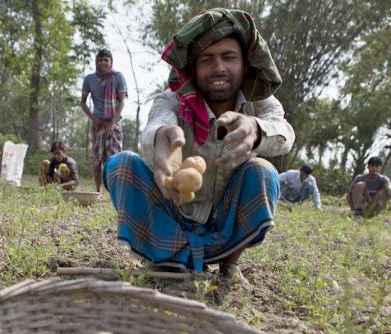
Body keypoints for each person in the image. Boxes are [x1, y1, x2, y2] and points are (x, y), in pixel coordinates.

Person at [102, 8, 295, 281]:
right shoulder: (172, 100)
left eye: (229, 58)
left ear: (243, 65)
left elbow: (284, 132)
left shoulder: (259, 104)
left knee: (262, 171)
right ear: (195, 68)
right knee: (120, 164)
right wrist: (162, 139)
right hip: (171, 214)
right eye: (207, 59)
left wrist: (255, 130)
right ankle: (165, 258)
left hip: (222, 227)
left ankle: (230, 262)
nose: (219, 68)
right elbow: (156, 124)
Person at [81, 48, 127, 192]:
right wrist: (93, 118)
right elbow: (82, 102)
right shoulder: (89, 79)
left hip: (114, 123)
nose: (103, 62)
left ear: (111, 62)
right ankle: (98, 190)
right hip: (98, 123)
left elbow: (122, 101)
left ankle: (115, 190)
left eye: (106, 60)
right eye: (100, 60)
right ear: (96, 62)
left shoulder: (118, 77)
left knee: (114, 159)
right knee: (97, 159)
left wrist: (112, 123)